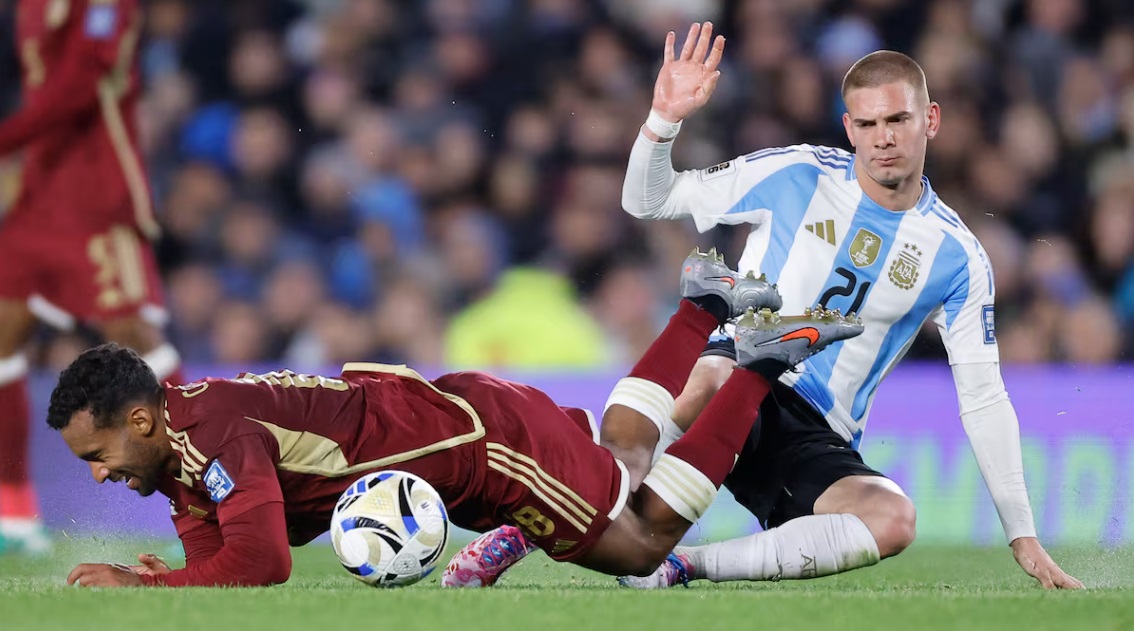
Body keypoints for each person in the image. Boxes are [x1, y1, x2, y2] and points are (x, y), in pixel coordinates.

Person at [443, 23, 1083, 590]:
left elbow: (983, 397)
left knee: (893, 519)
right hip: (735, 368)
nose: (883, 139)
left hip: (814, 431)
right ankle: (535, 526)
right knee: (714, 374)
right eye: (867, 124)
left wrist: (1021, 534)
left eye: (898, 121)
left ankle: (682, 569)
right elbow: (647, 200)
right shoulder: (795, 173)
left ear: (931, 120)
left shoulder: (958, 258)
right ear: (848, 128)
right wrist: (663, 120)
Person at [50, 251, 863, 587]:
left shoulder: (214, 434)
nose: (97, 471)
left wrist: (135, 580)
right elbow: (220, 552)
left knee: (640, 539)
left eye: (98, 449)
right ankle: (703, 308)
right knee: (620, 451)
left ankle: (755, 365)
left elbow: (262, 561)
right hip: (455, 424)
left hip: (484, 446)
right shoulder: (180, 451)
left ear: (142, 419)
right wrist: (178, 582)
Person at [0, 0, 184, 554]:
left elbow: (82, 81)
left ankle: (211, 502)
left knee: (140, 348)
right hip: (38, 198)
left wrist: (5, 141)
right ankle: (14, 517)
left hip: (97, 196)